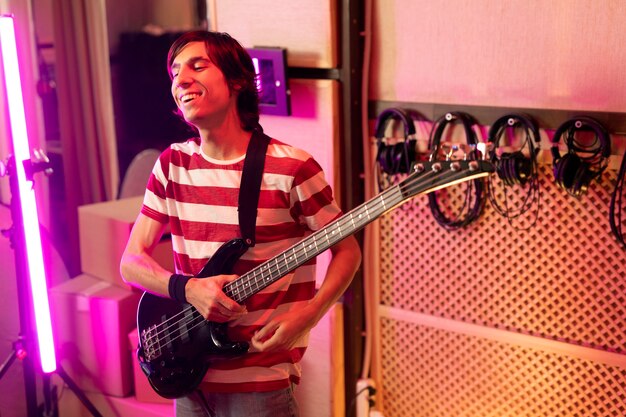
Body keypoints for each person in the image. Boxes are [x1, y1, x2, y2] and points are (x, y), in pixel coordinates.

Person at [120, 30, 362, 417]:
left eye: (198, 66)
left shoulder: (292, 168)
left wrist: (311, 312)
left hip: (261, 382)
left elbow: (347, 250)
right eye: (175, 72)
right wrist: (190, 289)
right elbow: (131, 263)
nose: (181, 79)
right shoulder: (172, 165)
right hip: (189, 375)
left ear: (236, 81)